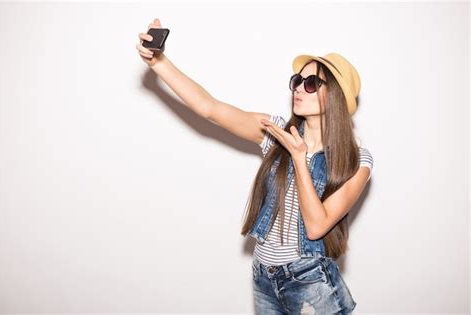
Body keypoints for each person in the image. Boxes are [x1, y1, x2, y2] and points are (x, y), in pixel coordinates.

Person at [137, 18, 373, 314]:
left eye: (311, 83)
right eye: (297, 81)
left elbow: (316, 226)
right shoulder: (275, 132)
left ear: (335, 96)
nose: (299, 88)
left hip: (311, 282)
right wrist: (159, 63)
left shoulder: (356, 160)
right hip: (264, 275)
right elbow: (210, 108)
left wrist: (299, 158)